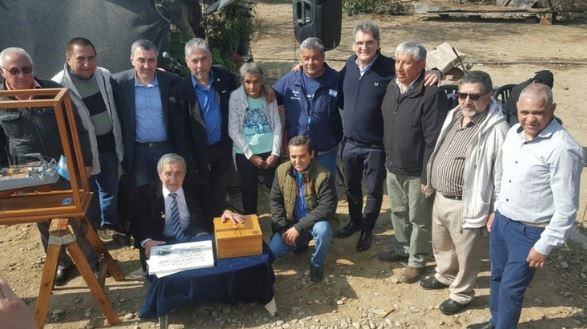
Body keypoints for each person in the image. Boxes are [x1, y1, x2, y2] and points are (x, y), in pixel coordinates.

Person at [472, 84, 583, 329]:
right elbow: (505, 176)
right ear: (517, 110)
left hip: (530, 232)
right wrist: (496, 209)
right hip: (502, 222)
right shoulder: (514, 134)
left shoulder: (562, 149)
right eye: (524, 112)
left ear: (552, 109)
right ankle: (495, 321)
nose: (530, 119)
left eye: (538, 113)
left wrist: (544, 244)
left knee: (512, 288)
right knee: (497, 278)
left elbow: (567, 207)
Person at [336, 22, 441, 252]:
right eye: (360, 43)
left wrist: (436, 71)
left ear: (378, 44)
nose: (364, 47)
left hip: (375, 145)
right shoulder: (349, 66)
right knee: (352, 187)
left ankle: (367, 227)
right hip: (350, 143)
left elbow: (415, 70)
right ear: (354, 46)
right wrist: (301, 69)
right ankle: (354, 220)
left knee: (373, 191)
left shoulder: (389, 68)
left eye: (369, 42)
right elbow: (332, 83)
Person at [0, 47, 96, 285]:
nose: (22, 75)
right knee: (44, 221)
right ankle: (61, 263)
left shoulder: (53, 92)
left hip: (63, 168)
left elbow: (79, 130)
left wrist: (84, 162)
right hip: (26, 174)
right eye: (15, 71)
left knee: (77, 216)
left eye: (27, 69)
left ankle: (91, 260)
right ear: (3, 72)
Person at [420, 71, 509, 315]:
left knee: (467, 253)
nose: (466, 102)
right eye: (461, 95)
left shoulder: (497, 130)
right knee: (442, 243)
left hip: (466, 202)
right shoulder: (454, 114)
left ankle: (462, 293)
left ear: (489, 97)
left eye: (474, 96)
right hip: (441, 197)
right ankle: (445, 274)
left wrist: (495, 209)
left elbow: (501, 175)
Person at [379, 41, 447, 283]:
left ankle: (417, 259)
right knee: (398, 211)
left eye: (406, 62)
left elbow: (433, 139)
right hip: (393, 165)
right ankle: (401, 248)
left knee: (418, 218)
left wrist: (427, 175)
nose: (399, 67)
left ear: (421, 65)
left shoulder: (431, 94)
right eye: (397, 61)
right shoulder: (392, 87)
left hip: (417, 170)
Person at [52, 37, 126, 238]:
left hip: (108, 146)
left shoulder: (103, 75)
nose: (87, 64)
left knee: (110, 189)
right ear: (68, 58)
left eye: (91, 57)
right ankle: (90, 233)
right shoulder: (57, 84)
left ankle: (109, 225)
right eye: (81, 58)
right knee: (87, 195)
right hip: (81, 154)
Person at [132, 153, 245, 267]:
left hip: (193, 235)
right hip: (160, 241)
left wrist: (225, 210)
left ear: (185, 174)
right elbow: (137, 224)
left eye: (178, 173)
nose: (173, 179)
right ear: (160, 174)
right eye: (168, 174)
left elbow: (215, 203)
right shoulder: (144, 194)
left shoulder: (197, 187)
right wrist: (147, 241)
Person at [169, 37, 239, 215]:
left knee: (220, 189)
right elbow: (180, 133)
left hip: (223, 147)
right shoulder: (179, 92)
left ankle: (223, 222)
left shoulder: (227, 80)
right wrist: (188, 160)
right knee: (201, 192)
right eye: (194, 61)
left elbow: (251, 83)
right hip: (197, 152)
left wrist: (267, 88)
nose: (199, 65)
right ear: (187, 62)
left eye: (203, 59)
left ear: (210, 58)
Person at [268, 136, 337, 283]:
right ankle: (301, 242)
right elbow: (275, 201)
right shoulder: (281, 171)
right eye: (293, 157)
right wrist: (282, 229)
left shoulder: (324, 175)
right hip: (291, 223)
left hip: (314, 222)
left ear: (311, 154)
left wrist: (298, 228)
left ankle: (317, 264)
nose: (297, 161)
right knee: (274, 250)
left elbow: (327, 207)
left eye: (302, 156)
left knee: (323, 230)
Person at [113, 39, 180, 188]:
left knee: (169, 192)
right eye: (141, 60)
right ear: (132, 60)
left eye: (151, 60)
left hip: (166, 149)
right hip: (138, 152)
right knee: (142, 196)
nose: (146, 66)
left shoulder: (171, 81)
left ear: (157, 60)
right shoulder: (119, 83)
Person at [273, 37, 342, 176]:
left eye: (315, 57)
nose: (310, 62)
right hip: (299, 153)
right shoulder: (290, 80)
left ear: (323, 57)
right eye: (306, 58)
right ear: (301, 58)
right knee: (301, 193)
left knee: (326, 191)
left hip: (326, 151)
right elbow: (270, 97)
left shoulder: (336, 79)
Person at [228, 61, 281, 215]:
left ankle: (280, 225)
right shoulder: (236, 98)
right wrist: (251, 155)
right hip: (246, 154)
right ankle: (252, 228)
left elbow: (277, 124)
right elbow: (233, 130)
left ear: (262, 81)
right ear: (242, 81)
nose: (252, 86)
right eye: (248, 82)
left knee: (277, 191)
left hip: (270, 152)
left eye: (256, 81)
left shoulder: (268, 95)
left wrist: (276, 153)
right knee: (248, 192)